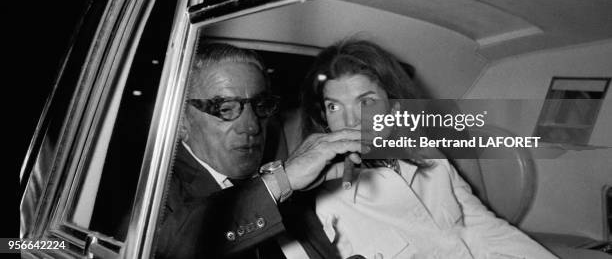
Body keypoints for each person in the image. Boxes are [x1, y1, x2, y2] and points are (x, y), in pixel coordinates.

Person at [300, 38, 557, 259]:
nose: (351, 121)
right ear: (324, 117)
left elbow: (485, 231)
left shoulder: (429, 158)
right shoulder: (320, 199)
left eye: (366, 102)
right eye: (334, 107)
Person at [156, 43, 364, 259]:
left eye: (260, 106)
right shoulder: (154, 195)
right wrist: (282, 180)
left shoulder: (282, 182)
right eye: (225, 109)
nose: (251, 126)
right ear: (181, 123)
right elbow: (168, 248)